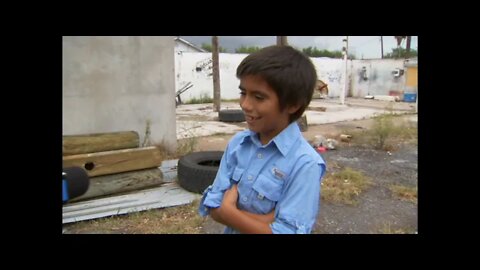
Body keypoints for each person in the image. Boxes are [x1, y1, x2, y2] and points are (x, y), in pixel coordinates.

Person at [198, 45, 326, 234]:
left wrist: (229, 212)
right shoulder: (238, 145)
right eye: (243, 93)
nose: (245, 104)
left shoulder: (305, 164)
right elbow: (212, 205)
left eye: (258, 97)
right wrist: (266, 221)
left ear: (293, 104)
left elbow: (287, 231)